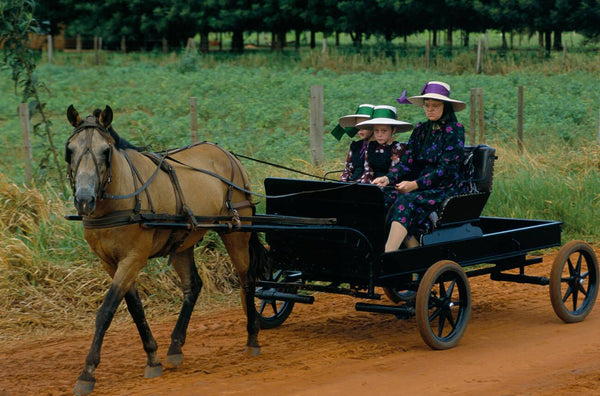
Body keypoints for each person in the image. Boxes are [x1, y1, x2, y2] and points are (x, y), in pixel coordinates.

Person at [372, 81, 467, 252]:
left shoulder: (454, 130)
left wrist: (414, 185)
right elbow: (407, 163)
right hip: (418, 184)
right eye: (427, 105)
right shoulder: (421, 130)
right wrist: (388, 178)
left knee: (406, 200)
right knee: (382, 196)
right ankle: (402, 250)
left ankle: (388, 255)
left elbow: (446, 170)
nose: (430, 109)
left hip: (444, 186)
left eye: (435, 106)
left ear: (445, 106)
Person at [355, 105, 412, 189]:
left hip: (390, 186)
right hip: (372, 185)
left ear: (393, 130)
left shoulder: (398, 148)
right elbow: (367, 170)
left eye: (384, 131)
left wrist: (381, 185)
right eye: (376, 130)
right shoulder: (370, 146)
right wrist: (366, 186)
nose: (379, 134)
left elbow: (394, 171)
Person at [337, 104, 375, 183]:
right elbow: (348, 169)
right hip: (352, 184)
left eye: (364, 126)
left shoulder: (382, 148)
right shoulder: (355, 146)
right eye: (358, 125)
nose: (360, 130)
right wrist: (343, 181)